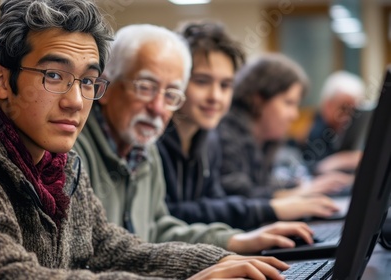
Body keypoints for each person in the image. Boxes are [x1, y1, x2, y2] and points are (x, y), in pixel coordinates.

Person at [0, 1, 291, 279]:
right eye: (54, 76)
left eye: (86, 80)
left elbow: (105, 246)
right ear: (0, 80)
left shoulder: (55, 161)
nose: (76, 101)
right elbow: (5, 274)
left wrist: (225, 260)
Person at [73, 23, 316, 255]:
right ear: (103, 86)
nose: (158, 108)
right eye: (145, 87)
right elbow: (94, 258)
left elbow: (156, 229)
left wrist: (235, 241)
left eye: (170, 94)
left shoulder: (146, 149)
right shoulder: (72, 154)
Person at [157, 21, 341, 231]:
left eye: (225, 85)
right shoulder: (158, 142)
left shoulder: (207, 139)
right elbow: (169, 216)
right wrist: (273, 209)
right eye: (201, 81)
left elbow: (217, 206)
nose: (215, 96)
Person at [217, 54, 354, 199]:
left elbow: (262, 187)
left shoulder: (266, 142)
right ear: (258, 99)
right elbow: (238, 198)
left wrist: (303, 186)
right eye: (288, 103)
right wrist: (299, 192)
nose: (294, 115)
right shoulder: (225, 136)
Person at [301, 70, 366, 174]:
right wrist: (343, 160)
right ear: (328, 105)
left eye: (353, 111)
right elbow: (312, 168)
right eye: (343, 108)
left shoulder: (345, 128)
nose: (348, 117)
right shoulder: (313, 130)